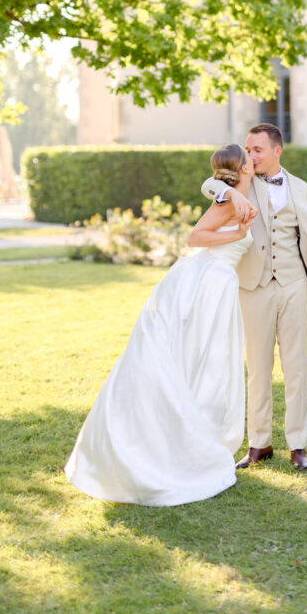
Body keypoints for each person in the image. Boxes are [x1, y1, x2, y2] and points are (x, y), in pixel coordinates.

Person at [64, 143, 257, 507]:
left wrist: (230, 193)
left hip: (220, 285)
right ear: (243, 168)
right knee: (194, 361)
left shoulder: (237, 194)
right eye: (250, 159)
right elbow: (195, 237)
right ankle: (173, 445)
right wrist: (234, 228)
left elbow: (210, 184)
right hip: (206, 284)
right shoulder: (229, 200)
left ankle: (193, 434)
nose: (254, 160)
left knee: (208, 367)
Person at [202, 123, 307, 472]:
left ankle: (298, 445)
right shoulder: (239, 183)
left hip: (294, 285)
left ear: (277, 150)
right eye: (248, 149)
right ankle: (259, 443)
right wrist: (233, 195)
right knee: (258, 369)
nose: (251, 155)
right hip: (253, 287)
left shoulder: (303, 191)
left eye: (257, 149)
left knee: (297, 369)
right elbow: (209, 183)